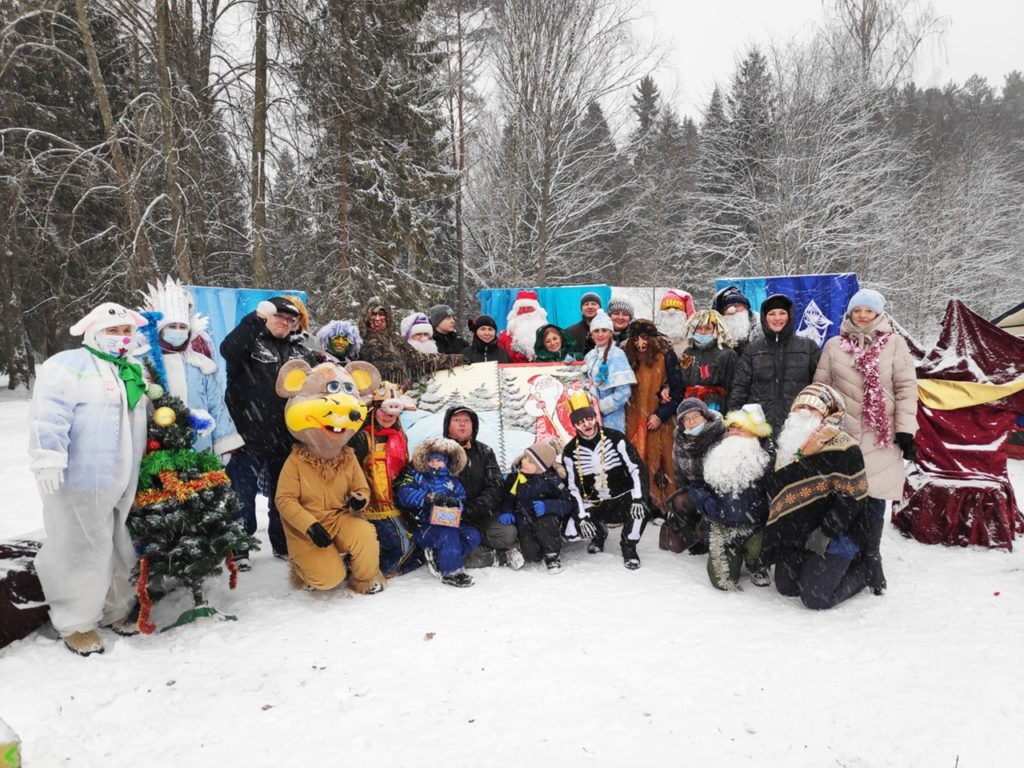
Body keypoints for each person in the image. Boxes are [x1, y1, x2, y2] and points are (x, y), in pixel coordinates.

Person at [29, 302, 151, 656]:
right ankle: (76, 621)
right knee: (79, 546)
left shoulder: (132, 369)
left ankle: (115, 607)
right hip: (79, 477)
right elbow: (49, 415)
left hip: (123, 475)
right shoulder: (67, 366)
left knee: (119, 541)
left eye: (126, 331)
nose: (121, 338)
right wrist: (48, 457)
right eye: (113, 331)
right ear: (94, 332)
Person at [812, 288, 918, 594]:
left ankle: (872, 555)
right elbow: (821, 387)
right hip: (842, 434)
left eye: (868, 311)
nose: (862, 315)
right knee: (843, 496)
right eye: (857, 310)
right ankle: (848, 552)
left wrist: (906, 429)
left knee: (874, 496)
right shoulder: (834, 345)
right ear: (849, 313)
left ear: (878, 314)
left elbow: (906, 388)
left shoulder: (895, 345)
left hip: (880, 433)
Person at [759, 384, 880, 609]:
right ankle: (811, 564)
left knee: (815, 598)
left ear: (828, 416)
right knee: (786, 588)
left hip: (836, 534)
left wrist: (826, 532)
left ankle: (864, 571)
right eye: (800, 407)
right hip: (799, 535)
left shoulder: (845, 448)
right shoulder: (786, 449)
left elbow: (853, 498)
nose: (804, 412)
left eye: (813, 409)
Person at [274, 359, 386, 594]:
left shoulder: (348, 456)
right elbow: (284, 500)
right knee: (329, 579)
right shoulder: (296, 460)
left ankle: (365, 579)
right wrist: (310, 526)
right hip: (307, 529)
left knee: (365, 533)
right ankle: (304, 568)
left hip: (340, 519)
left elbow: (362, 488)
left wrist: (359, 500)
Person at [221, 295, 319, 560]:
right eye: (280, 317)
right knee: (242, 494)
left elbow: (318, 381)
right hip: (247, 436)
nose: (285, 323)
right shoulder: (250, 341)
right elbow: (228, 350)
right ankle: (239, 549)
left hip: (285, 437)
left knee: (283, 496)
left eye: (291, 320)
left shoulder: (300, 351)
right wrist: (254, 320)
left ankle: (283, 543)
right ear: (267, 316)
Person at [138, 276, 243, 458]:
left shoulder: (202, 364)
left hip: (199, 444)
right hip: (155, 445)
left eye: (181, 327)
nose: (177, 331)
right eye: (172, 326)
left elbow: (216, 405)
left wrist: (225, 443)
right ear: (161, 329)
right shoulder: (142, 361)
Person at [562, 391, 649, 569]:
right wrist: (581, 517)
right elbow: (572, 488)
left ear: (595, 417)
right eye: (580, 421)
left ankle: (628, 546)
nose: (586, 424)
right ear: (575, 425)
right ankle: (599, 533)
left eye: (589, 419)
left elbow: (636, 467)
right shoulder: (570, 451)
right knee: (571, 532)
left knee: (641, 512)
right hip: (594, 503)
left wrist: (639, 498)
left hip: (622, 498)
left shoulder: (616, 438)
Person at [349, 382, 421, 577]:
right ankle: (373, 573)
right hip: (370, 508)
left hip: (396, 503)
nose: (388, 417)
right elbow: (350, 473)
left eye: (393, 413)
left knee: (412, 544)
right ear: (374, 410)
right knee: (403, 547)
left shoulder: (400, 436)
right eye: (383, 411)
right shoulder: (362, 438)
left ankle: (380, 568)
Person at [700, 404, 774, 590]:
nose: (734, 432)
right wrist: (706, 502)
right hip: (724, 526)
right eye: (732, 427)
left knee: (759, 549)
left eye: (742, 428)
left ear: (756, 432)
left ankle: (755, 562)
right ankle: (736, 555)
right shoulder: (718, 453)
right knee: (721, 581)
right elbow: (697, 485)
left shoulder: (766, 458)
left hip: (756, 526)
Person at [727, 293, 821, 437]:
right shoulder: (752, 350)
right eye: (772, 314)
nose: (777, 318)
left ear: (790, 316)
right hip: (760, 426)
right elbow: (739, 389)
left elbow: (819, 387)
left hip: (799, 426)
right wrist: (736, 422)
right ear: (765, 318)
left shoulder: (808, 347)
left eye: (782, 313)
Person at [443, 405, 525, 569]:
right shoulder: (437, 451)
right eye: (457, 420)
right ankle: (497, 555)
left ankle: (486, 549)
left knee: (508, 534)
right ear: (447, 425)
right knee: (450, 550)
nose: (462, 424)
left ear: (473, 425)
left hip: (482, 514)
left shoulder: (484, 451)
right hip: (451, 516)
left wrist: (477, 508)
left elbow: (495, 485)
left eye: (467, 420)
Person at [395, 437, 479, 587]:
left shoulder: (454, 482)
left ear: (447, 462)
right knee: (447, 534)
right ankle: (451, 571)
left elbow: (462, 499)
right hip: (424, 526)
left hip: (451, 522)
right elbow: (404, 494)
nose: (434, 464)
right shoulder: (417, 477)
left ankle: (439, 556)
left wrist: (456, 503)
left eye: (439, 460)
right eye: (431, 460)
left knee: (472, 535)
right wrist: (427, 497)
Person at [622, 319, 684, 510]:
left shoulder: (666, 356)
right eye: (635, 338)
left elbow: (678, 391)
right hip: (633, 419)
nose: (640, 343)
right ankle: (640, 503)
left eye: (644, 338)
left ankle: (663, 505)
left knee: (662, 462)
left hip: (660, 421)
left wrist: (660, 414)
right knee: (637, 460)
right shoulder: (625, 357)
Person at [358, 296, 465, 388]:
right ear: (366, 317)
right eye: (373, 314)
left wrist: (454, 359)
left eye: (381, 314)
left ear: (387, 317)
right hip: (367, 397)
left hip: (398, 397)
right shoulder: (357, 340)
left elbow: (418, 360)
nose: (377, 318)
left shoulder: (395, 340)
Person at [500, 440, 573, 573]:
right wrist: (507, 511)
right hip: (524, 521)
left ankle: (552, 556)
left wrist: (548, 506)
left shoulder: (552, 480)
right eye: (525, 458)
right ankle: (527, 550)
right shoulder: (516, 477)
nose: (524, 462)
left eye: (530, 461)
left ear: (541, 467)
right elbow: (508, 496)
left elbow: (568, 502)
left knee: (547, 523)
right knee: (532, 556)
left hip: (545, 519)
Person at [672, 398, 727, 555]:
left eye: (695, 416)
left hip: (717, 489)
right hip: (694, 487)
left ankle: (712, 536)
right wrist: (681, 492)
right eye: (686, 419)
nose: (691, 422)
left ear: (705, 416)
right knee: (679, 501)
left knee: (711, 507)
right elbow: (679, 472)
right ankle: (696, 535)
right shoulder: (680, 440)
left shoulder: (721, 435)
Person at [583, 311, 636, 432]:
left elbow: (624, 392)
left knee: (610, 447)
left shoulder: (617, 354)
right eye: (596, 331)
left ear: (611, 333)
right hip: (591, 417)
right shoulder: (589, 356)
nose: (600, 334)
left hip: (612, 417)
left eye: (604, 330)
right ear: (591, 334)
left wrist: (601, 406)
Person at [675, 309, 737, 413]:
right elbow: (679, 380)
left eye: (708, 328)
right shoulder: (687, 353)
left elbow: (734, 387)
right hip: (690, 408)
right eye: (699, 328)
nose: (703, 332)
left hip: (716, 407)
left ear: (716, 330)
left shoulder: (727, 354)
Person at [497, 290, 549, 363]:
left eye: (530, 308)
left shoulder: (549, 335)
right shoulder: (504, 338)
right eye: (522, 309)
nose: (526, 312)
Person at [713, 285, 757, 355]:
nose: (733, 310)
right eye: (728, 307)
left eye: (737, 305)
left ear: (745, 307)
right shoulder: (713, 335)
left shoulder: (759, 327)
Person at [658, 289, 697, 357]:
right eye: (667, 307)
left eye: (676, 308)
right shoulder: (654, 342)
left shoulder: (692, 341)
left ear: (684, 314)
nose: (671, 311)